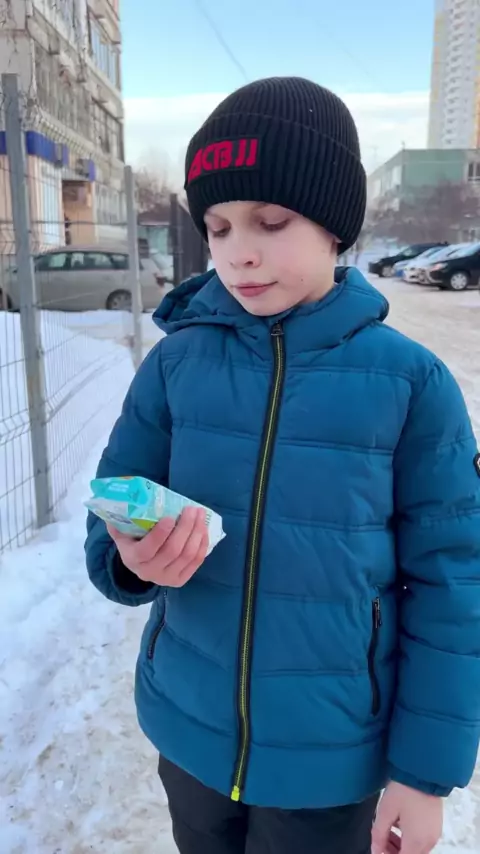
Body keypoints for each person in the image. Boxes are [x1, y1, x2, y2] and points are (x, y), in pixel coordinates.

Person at [85, 77, 480, 854]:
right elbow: (112, 509)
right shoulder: (176, 365)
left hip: (330, 762)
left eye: (271, 221)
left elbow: (455, 584)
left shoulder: (411, 384)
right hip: (190, 733)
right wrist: (130, 557)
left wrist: (424, 774)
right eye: (218, 227)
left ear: (335, 227)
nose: (240, 251)